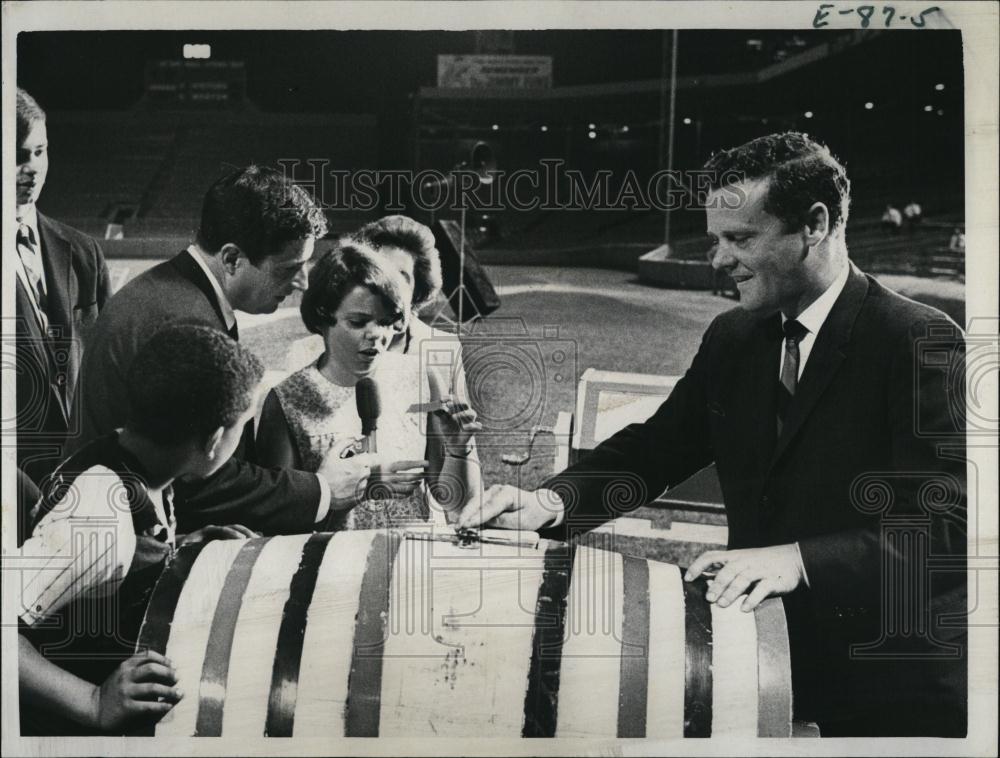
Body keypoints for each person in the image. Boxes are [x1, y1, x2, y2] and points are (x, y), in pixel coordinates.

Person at [460, 132, 967, 737]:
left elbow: (948, 530)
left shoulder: (917, 340)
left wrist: (798, 560)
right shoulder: (734, 338)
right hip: (758, 667)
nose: (719, 259)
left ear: (814, 224)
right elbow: (655, 448)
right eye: (715, 239)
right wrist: (549, 503)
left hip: (890, 688)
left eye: (740, 238)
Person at [75, 166, 395, 534]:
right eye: (288, 267)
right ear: (231, 259)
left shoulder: (171, 292)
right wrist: (322, 490)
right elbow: (199, 472)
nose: (303, 282)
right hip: (119, 543)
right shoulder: (186, 323)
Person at [18, 325, 262, 735]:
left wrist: (178, 550)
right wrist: (92, 702)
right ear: (215, 439)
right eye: (244, 425)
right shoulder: (99, 518)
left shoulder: (136, 457)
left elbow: (112, 563)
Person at [256, 243, 482, 529]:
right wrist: (362, 485)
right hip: (332, 562)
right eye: (359, 321)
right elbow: (278, 519)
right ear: (323, 316)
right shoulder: (286, 399)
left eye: (387, 322)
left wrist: (459, 449)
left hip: (409, 560)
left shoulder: (421, 377)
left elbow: (454, 502)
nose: (376, 335)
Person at [13, 88, 112, 540]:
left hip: (84, 492)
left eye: (39, 151)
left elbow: (108, 378)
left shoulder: (83, 251)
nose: (31, 168)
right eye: (15, 155)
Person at [286, 214, 469, 404]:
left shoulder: (442, 347)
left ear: (418, 288)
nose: (388, 289)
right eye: (378, 276)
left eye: (401, 277)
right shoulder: (307, 351)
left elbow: (458, 427)